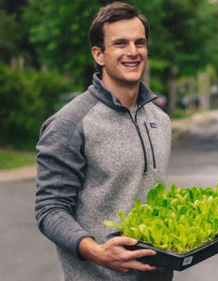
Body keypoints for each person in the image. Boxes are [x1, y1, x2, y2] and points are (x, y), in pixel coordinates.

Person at [35, 2, 173, 280]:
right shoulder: (70, 123)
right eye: (120, 43)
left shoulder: (160, 119)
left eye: (140, 42)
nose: (133, 52)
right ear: (99, 54)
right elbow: (50, 209)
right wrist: (97, 251)